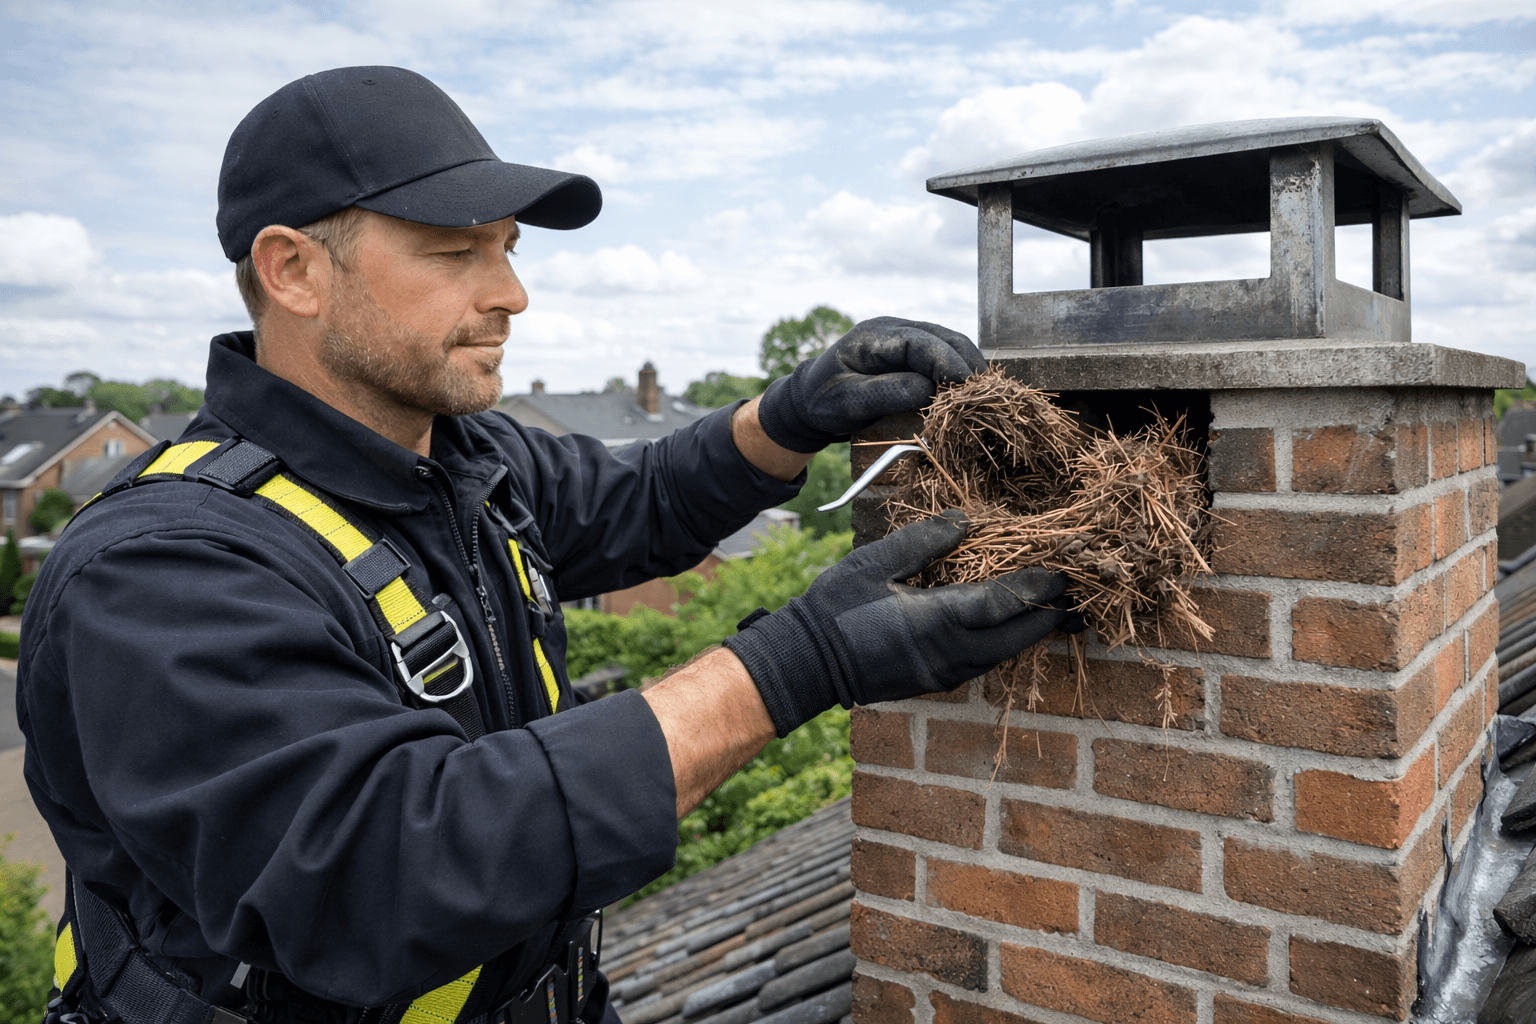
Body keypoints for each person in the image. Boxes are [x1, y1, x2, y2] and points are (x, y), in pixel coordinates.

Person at [18, 66, 1069, 1024]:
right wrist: (794, 665)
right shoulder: (161, 571)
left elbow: (641, 497)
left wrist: (785, 417)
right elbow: (385, 870)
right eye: (453, 252)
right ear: (293, 270)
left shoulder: (460, 459)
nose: (511, 294)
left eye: (508, 250)